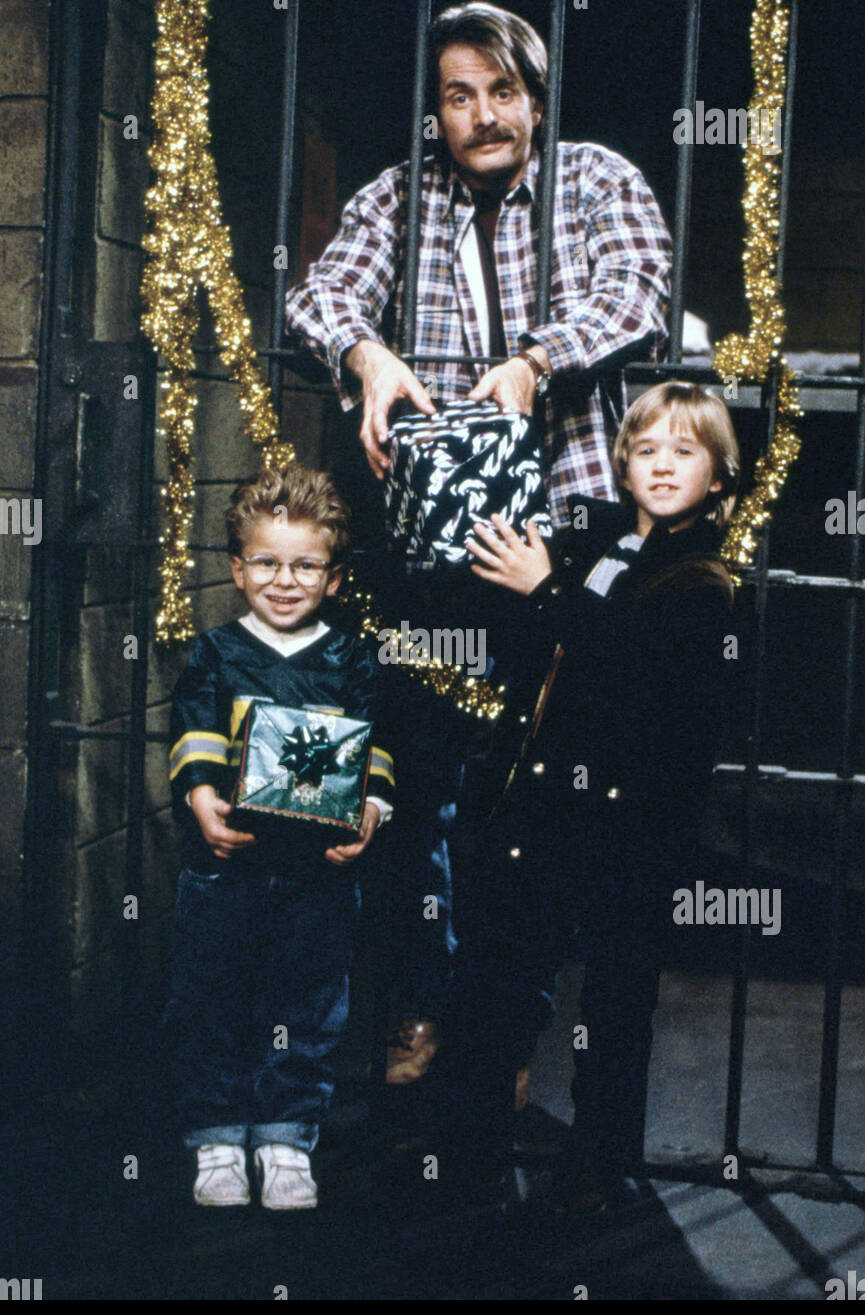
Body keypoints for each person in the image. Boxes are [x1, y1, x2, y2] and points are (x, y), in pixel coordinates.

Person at [284, 1, 672, 1087]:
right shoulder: (402, 195)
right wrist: (364, 355)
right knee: (417, 777)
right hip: (431, 553)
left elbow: (637, 290)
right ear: (437, 109)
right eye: (459, 94)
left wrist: (534, 363)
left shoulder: (596, 180)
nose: (482, 115)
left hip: (562, 540)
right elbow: (320, 291)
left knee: (539, 798)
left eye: (502, 92)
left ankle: (507, 1028)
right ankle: (418, 1005)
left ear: (535, 101)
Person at [461, 381, 740, 1203]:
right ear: (621, 467)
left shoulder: (702, 584)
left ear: (718, 478)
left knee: (618, 994)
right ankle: (476, 1132)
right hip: (552, 806)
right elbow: (545, 643)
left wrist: (546, 592)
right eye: (646, 449)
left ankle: (603, 1159)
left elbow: (634, 678)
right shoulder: (600, 543)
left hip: (633, 823)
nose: (662, 465)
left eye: (684, 452)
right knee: (510, 966)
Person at [162, 465, 394, 1209]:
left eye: (305, 565)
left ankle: (288, 1136)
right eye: (266, 562)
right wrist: (201, 797)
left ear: (331, 577)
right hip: (225, 868)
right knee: (212, 998)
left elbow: (377, 749)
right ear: (237, 568)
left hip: (318, 874)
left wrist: (372, 812)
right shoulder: (216, 652)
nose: (284, 580)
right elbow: (193, 727)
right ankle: (219, 1136)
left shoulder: (352, 659)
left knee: (308, 1003)